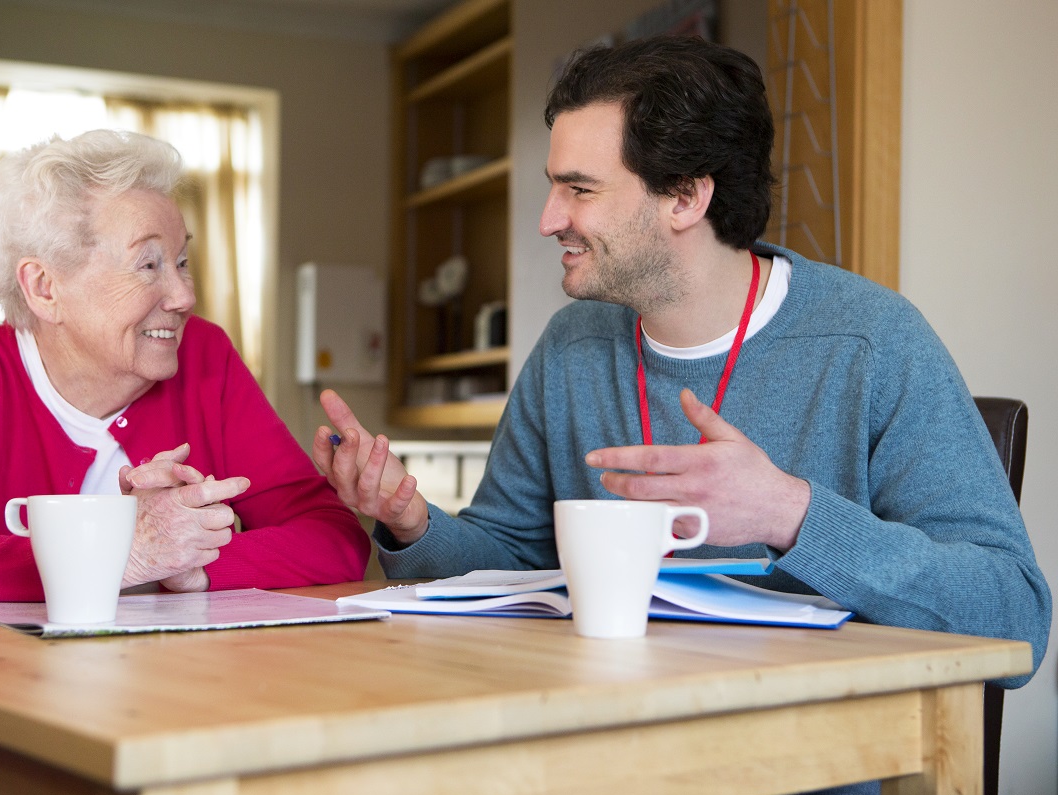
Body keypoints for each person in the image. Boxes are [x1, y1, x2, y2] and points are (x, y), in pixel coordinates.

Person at [314, 32, 1049, 724]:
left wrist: (790, 512)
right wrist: (411, 522)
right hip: (595, 746)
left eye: (580, 189)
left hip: (805, 769)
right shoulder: (572, 345)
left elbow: (1014, 614)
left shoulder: (874, 342)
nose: (547, 219)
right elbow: (510, 564)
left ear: (685, 198)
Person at [0, 129, 371, 611]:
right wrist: (106, 554)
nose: (184, 296)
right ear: (44, 288)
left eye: (182, 261)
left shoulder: (205, 359)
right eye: (149, 265)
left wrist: (192, 567)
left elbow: (333, 536)